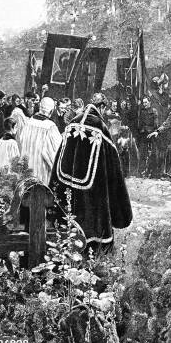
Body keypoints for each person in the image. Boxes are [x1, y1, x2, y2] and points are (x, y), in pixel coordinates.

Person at [50, 93, 132, 254]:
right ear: (101, 107)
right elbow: (112, 162)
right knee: (92, 216)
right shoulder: (100, 126)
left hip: (66, 178)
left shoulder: (74, 122)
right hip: (91, 185)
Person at [19, 97, 62, 184]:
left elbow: (21, 142)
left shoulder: (28, 122)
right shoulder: (50, 127)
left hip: (26, 170)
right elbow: (56, 152)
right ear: (51, 111)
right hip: (41, 171)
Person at [138, 96, 159, 177]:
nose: (144, 104)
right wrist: (143, 130)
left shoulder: (154, 111)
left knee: (152, 154)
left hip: (152, 135)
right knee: (143, 153)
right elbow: (140, 124)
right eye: (143, 103)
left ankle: (152, 171)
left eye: (146, 102)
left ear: (150, 102)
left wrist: (149, 130)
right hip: (143, 135)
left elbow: (156, 125)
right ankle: (142, 171)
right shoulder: (142, 111)